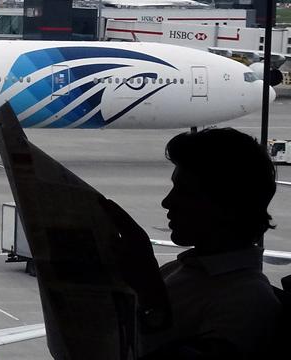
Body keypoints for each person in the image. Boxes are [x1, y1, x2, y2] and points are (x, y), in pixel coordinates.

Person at [106, 128, 281, 359]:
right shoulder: (184, 271)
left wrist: (150, 293)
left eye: (186, 192)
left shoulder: (248, 302)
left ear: (227, 206)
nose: (167, 202)